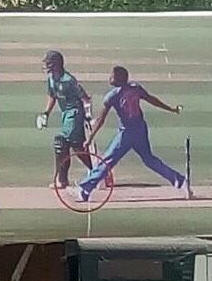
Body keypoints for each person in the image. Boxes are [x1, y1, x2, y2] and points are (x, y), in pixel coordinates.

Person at [75, 65, 186, 201]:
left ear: (120, 79)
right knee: (149, 159)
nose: (110, 78)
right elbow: (151, 99)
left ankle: (86, 188)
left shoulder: (112, 96)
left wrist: (90, 138)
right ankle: (178, 180)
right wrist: (171, 109)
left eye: (113, 76)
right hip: (140, 128)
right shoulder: (135, 88)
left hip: (127, 133)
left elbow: (101, 120)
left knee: (108, 160)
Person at [36, 50, 95, 188]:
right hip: (65, 115)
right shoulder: (51, 78)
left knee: (61, 143)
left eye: (49, 63)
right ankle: (98, 171)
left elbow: (85, 98)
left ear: (57, 64)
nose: (47, 66)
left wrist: (88, 116)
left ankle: (62, 180)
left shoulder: (69, 80)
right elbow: (53, 96)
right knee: (77, 147)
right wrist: (46, 113)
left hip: (75, 113)